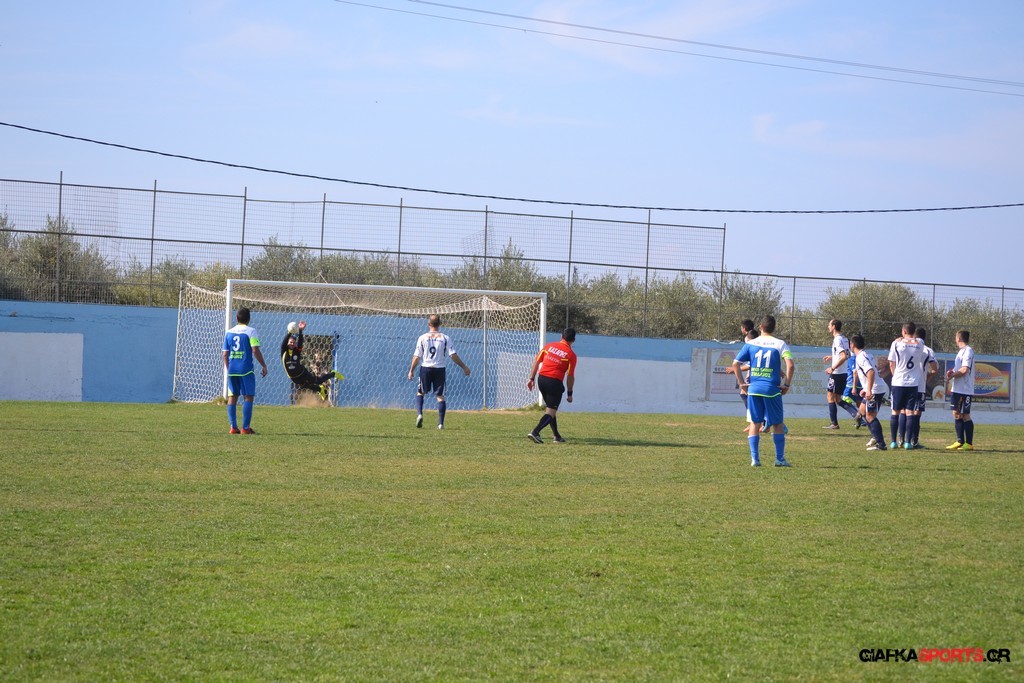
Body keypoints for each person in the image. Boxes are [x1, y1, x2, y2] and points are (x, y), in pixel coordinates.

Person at [732, 315, 794, 467]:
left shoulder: (751, 343)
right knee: (777, 424)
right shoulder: (780, 344)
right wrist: (786, 385)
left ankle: (755, 459)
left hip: (754, 389)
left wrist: (742, 383)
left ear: (760, 327)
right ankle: (779, 459)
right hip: (771, 389)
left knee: (755, 423)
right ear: (774, 328)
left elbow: (735, 364)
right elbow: (790, 366)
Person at [408, 314, 471, 429]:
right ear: (440, 324)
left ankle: (420, 414)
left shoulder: (422, 338)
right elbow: (453, 355)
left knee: (420, 392)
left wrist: (411, 370)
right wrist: (464, 366)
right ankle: (440, 424)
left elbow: (417, 357)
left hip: (425, 368)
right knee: (440, 396)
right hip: (439, 369)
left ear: (429, 324)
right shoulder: (445, 338)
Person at [526, 327, 578, 444]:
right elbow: (570, 376)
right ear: (573, 340)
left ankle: (556, 436)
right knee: (551, 412)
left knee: (551, 409)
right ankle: (535, 432)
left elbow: (537, 361)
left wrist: (531, 378)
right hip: (554, 383)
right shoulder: (571, 355)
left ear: (561, 336)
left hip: (541, 380)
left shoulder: (549, 346)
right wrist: (570, 394)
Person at [222, 307, 268, 434]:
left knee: (232, 396)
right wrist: (264, 365)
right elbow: (255, 349)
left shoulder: (229, 332)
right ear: (249, 319)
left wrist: (229, 369)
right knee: (248, 396)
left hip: (232, 369)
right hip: (246, 370)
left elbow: (225, 354)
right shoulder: (251, 331)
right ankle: (245, 428)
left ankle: (233, 427)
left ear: (237, 318)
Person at [887, 322, 929, 450]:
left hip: (898, 382)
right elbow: (918, 340)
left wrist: (895, 375)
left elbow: (891, 363)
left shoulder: (896, 344)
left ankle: (894, 441)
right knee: (910, 412)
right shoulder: (920, 344)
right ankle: (908, 443)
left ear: (903, 331)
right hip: (913, 383)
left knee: (895, 411)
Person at [281, 321, 345, 402]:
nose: (292, 343)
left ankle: (333, 374)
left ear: (295, 344)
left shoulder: (297, 351)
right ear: (287, 343)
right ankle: (320, 390)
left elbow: (300, 342)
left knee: (317, 381)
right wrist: (289, 332)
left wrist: (300, 331)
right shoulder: (284, 352)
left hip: (302, 373)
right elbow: (284, 343)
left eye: (294, 342)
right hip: (293, 378)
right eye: (290, 342)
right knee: (306, 385)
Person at [851, 335, 890, 451]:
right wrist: (865, 388)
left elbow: (871, 372)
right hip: (875, 387)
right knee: (862, 411)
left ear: (852, 345)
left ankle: (881, 444)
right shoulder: (867, 354)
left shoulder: (861, 357)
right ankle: (875, 436)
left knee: (870, 416)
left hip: (875, 389)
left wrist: (869, 389)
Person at [822, 319, 856, 429]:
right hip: (844, 372)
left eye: (829, 325)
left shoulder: (837, 340)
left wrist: (832, 368)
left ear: (833, 326)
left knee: (830, 397)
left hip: (836, 373)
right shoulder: (845, 339)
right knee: (838, 399)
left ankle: (834, 424)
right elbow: (848, 354)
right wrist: (833, 356)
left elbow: (844, 356)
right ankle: (856, 414)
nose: (828, 327)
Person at [907, 328, 938, 448]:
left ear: (914, 336)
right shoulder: (927, 350)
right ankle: (914, 441)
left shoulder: (906, 346)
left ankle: (902, 439)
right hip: (920, 386)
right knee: (916, 414)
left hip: (906, 384)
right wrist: (927, 377)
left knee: (905, 412)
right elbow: (935, 369)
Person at [946, 330, 976, 451]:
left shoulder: (968, 351)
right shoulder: (961, 352)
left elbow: (965, 370)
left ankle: (969, 443)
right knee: (956, 413)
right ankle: (960, 441)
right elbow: (959, 368)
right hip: (957, 388)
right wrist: (952, 372)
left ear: (958, 338)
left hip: (965, 389)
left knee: (965, 415)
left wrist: (952, 376)